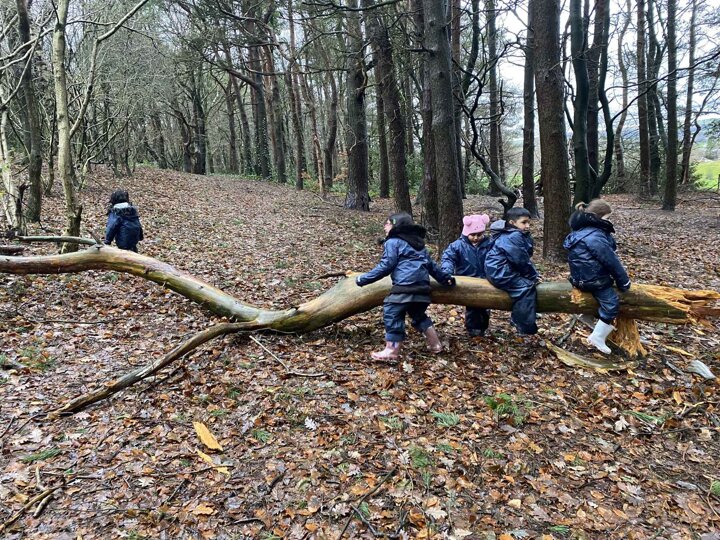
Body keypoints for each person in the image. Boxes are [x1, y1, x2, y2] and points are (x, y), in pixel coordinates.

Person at [355, 212, 456, 360]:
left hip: (405, 285)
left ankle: (392, 350)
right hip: (422, 288)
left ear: (396, 226)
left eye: (387, 223)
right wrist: (445, 279)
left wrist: (363, 279)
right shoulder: (419, 245)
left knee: (392, 312)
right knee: (418, 315)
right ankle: (435, 345)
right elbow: (432, 266)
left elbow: (387, 265)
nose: (384, 226)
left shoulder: (393, 242)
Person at [563, 199, 631, 354]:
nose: (609, 221)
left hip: (578, 279)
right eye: (607, 218)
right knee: (611, 304)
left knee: (598, 297)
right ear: (598, 218)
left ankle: (587, 316)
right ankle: (597, 337)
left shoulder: (579, 232)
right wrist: (624, 281)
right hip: (594, 281)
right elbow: (611, 261)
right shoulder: (595, 236)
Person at [484, 207, 540, 336]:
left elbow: (523, 259)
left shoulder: (512, 234)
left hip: (500, 270)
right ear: (512, 222)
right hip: (500, 272)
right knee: (526, 288)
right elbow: (520, 260)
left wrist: (532, 274)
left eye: (529, 222)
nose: (527, 226)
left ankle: (524, 315)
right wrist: (532, 276)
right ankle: (522, 323)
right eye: (524, 222)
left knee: (527, 283)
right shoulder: (513, 236)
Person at [441, 214, 493, 337]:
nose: (476, 238)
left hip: (485, 280)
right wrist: (447, 272)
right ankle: (473, 329)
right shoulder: (457, 245)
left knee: (486, 306)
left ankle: (482, 327)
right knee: (473, 306)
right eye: (473, 235)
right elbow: (448, 258)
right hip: (468, 280)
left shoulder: (489, 244)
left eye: (479, 235)